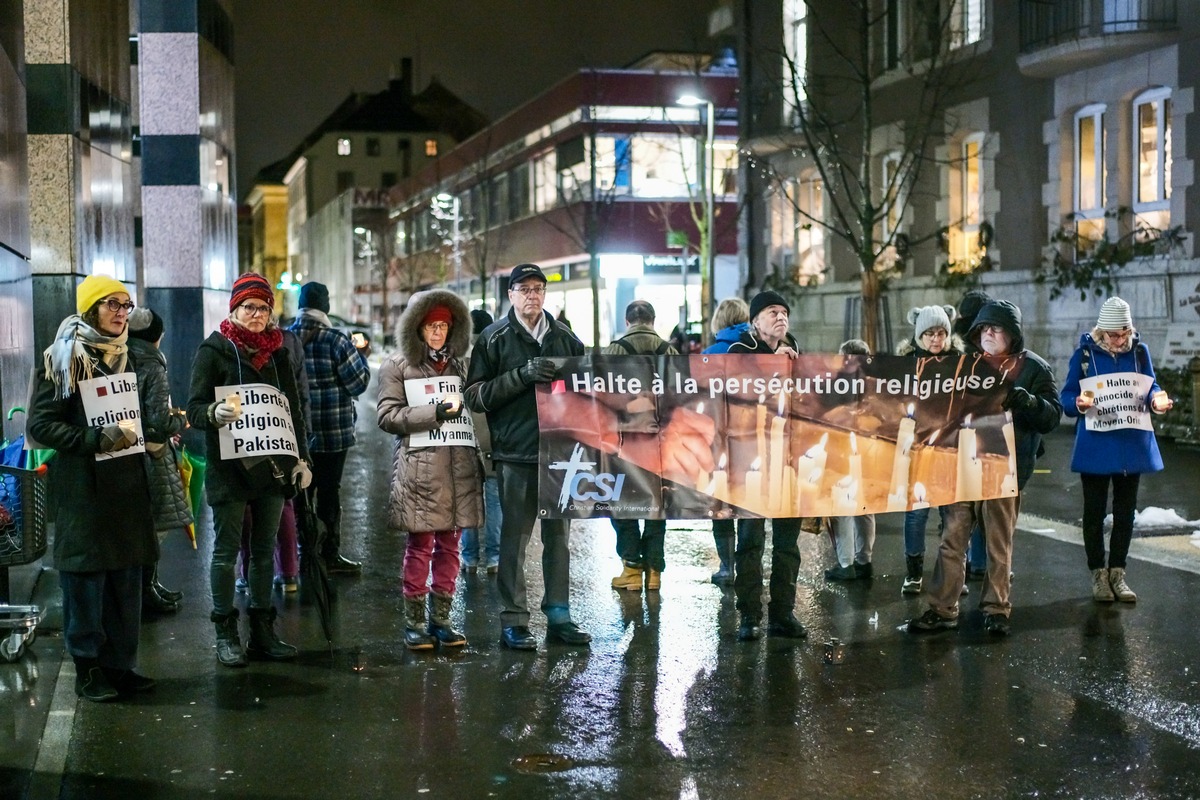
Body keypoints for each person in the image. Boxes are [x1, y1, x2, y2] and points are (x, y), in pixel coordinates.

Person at [28, 274, 157, 701]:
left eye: (126, 305)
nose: (122, 313)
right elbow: (41, 425)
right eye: (112, 305)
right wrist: (92, 438)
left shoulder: (129, 356)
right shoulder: (65, 358)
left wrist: (158, 430)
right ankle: (88, 669)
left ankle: (121, 666)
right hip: (86, 491)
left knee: (125, 581)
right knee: (86, 581)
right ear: (90, 310)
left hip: (127, 488)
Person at [908, 300, 1060, 637]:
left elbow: (1052, 416)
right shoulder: (965, 364)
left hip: (1004, 470)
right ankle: (941, 608)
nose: (988, 333)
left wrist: (1028, 401)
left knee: (997, 542)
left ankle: (996, 609)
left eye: (996, 328)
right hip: (961, 467)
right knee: (952, 538)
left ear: (1012, 334)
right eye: (983, 328)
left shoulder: (1033, 368)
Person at [464, 263, 591, 650]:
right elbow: (475, 396)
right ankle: (514, 620)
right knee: (514, 541)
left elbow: (587, 393)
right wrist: (521, 375)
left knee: (559, 540)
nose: (532, 295)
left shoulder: (567, 338)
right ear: (511, 295)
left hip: (559, 454)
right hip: (516, 453)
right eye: (524, 289)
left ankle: (559, 616)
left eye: (538, 288)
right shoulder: (493, 338)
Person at [188, 272, 312, 667]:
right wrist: (211, 412)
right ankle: (226, 632)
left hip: (273, 470)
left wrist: (302, 459)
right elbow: (193, 409)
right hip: (228, 471)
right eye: (248, 307)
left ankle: (262, 631)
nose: (256, 315)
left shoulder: (280, 355)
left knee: (263, 552)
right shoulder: (213, 351)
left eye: (263, 308)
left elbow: (293, 413)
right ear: (234, 309)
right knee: (225, 553)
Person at [377, 289, 483, 650]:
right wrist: (434, 412)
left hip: (459, 469)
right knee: (420, 546)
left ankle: (441, 619)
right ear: (416, 328)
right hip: (420, 469)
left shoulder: (463, 366)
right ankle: (414, 622)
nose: (437, 333)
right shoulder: (397, 366)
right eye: (430, 326)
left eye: (443, 326)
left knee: (451, 547)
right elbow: (387, 416)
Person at [1060, 296, 1171, 603]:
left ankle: (1117, 572)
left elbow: (1151, 386)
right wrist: (1077, 404)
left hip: (1130, 444)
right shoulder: (1084, 354)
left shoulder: (1139, 352)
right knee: (1094, 513)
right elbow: (1067, 395)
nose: (1118, 340)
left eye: (1123, 333)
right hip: (1096, 444)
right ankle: (1098, 573)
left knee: (1125, 514)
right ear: (1101, 331)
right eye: (1112, 334)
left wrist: (1157, 400)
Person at [726, 290, 808, 641]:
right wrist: (773, 361)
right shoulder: (738, 351)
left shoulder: (795, 351)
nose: (780, 317)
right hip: (752, 462)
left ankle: (782, 613)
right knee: (750, 541)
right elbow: (737, 390)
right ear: (755, 320)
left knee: (787, 544)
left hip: (788, 461)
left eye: (784, 311)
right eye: (772, 311)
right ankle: (749, 614)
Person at [288, 281, 371, 574]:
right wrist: (361, 354)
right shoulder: (337, 340)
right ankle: (330, 554)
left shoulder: (285, 337)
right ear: (326, 306)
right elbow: (358, 383)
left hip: (295, 433)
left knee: (298, 491)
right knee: (329, 491)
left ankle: (301, 553)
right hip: (333, 431)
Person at [605, 300, 678, 592]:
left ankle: (631, 568)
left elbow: (605, 396)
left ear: (627, 322)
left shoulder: (615, 350)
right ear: (653, 320)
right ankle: (655, 571)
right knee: (657, 504)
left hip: (626, 440)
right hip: (660, 442)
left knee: (622, 503)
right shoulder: (668, 351)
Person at [126, 306, 190, 613]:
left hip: (128, 450)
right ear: (158, 337)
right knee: (154, 524)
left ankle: (149, 587)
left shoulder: (121, 357)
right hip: (154, 452)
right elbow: (160, 419)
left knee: (141, 524)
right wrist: (181, 421)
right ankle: (147, 593)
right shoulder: (153, 363)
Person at [896, 304, 963, 595]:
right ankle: (913, 573)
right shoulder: (906, 364)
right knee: (917, 512)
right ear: (918, 335)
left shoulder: (961, 362)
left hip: (951, 447)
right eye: (929, 334)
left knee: (954, 512)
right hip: (917, 448)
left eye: (941, 333)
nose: (936, 340)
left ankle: (951, 574)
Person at [701, 297, 751, 586]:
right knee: (747, 503)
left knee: (720, 505)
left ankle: (726, 567)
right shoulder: (756, 351)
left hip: (717, 439)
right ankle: (746, 565)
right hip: (748, 439)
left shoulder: (710, 354)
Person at [824, 339, 876, 582]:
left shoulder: (836, 385)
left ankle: (846, 564)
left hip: (842, 450)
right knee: (865, 507)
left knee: (842, 508)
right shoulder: (876, 385)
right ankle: (864, 560)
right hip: (869, 452)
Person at [955, 289, 993, 581]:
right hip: (982, 437)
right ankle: (979, 560)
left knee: (971, 505)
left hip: (973, 437)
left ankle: (973, 560)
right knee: (983, 505)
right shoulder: (992, 347)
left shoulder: (962, 352)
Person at [461, 308, 501, 575]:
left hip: (465, 437)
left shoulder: (458, 361)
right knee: (496, 499)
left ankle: (470, 557)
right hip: (494, 436)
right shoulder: (497, 356)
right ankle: (495, 557)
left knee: (468, 498)